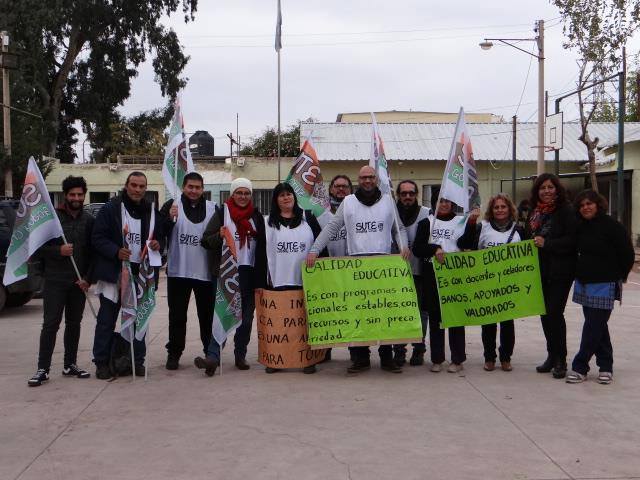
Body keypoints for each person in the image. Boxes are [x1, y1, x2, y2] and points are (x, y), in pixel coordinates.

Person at [307, 165, 410, 374]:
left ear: (376, 179)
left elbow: (398, 228)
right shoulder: (349, 202)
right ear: (358, 180)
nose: (368, 181)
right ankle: (360, 359)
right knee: (358, 314)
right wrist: (314, 251)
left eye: (371, 177)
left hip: (383, 266)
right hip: (356, 266)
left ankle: (386, 357)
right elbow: (332, 227)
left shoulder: (389, 201)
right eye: (363, 177)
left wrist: (404, 246)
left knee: (383, 313)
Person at [91, 172, 163, 380]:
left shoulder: (151, 210)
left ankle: (136, 361)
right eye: (134, 185)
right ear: (126, 185)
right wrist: (115, 251)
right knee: (107, 320)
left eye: (142, 186)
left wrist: (158, 244)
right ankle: (102, 362)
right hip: (115, 274)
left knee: (139, 320)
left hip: (141, 275)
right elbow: (97, 238)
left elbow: (159, 238)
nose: (138, 190)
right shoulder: (111, 208)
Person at [28, 176, 94, 386]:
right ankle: (43, 368)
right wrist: (58, 250)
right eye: (72, 194)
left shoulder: (89, 220)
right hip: (55, 280)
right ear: (65, 195)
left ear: (84, 195)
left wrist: (88, 279)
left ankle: (70, 364)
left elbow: (94, 252)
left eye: (80, 194)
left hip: (78, 282)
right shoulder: (52, 220)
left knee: (74, 324)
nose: (76, 198)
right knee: (50, 324)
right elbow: (36, 250)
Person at [194, 178, 264, 377]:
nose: (243, 196)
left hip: (248, 272)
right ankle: (212, 357)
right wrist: (220, 236)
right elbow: (206, 241)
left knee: (247, 318)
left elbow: (263, 246)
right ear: (232, 194)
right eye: (239, 193)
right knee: (221, 315)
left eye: (246, 193)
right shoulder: (222, 214)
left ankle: (240, 355)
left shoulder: (256, 217)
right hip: (226, 272)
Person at [255, 182, 325, 374]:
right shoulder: (267, 223)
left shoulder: (308, 218)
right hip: (277, 281)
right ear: (276, 200)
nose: (286, 198)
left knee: (303, 324)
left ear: (294, 197)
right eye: (281, 195)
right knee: (279, 326)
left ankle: (307, 360)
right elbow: (261, 253)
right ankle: (276, 360)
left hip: (304, 280)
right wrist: (260, 283)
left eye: (289, 194)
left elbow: (320, 245)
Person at [565, 190, 634, 384]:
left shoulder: (612, 226)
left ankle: (580, 367)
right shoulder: (580, 226)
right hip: (584, 284)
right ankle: (606, 366)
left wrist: (620, 275)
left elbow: (627, 253)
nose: (585, 207)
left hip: (605, 284)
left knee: (593, 326)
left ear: (598, 204)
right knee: (598, 326)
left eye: (589, 204)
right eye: (582, 205)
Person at [458, 193, 523, 372]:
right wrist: (471, 223)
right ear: (491, 210)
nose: (500, 210)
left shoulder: (519, 230)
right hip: (487, 284)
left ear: (510, 209)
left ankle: (506, 358)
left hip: (510, 284)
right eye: (496, 207)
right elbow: (464, 243)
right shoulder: (483, 227)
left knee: (507, 323)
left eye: (503, 207)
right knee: (488, 323)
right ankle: (489, 358)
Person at [160, 172, 216, 370]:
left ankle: (210, 354)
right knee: (177, 316)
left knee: (207, 316)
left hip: (204, 273)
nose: (193, 191)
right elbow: (158, 233)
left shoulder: (212, 208)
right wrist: (168, 219)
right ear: (184, 187)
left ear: (203, 189)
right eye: (190, 187)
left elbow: (218, 237)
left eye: (197, 187)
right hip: (178, 272)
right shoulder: (171, 206)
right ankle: (174, 353)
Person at [525, 173, 577, 379]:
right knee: (545, 314)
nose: (546, 191)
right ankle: (551, 355)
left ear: (557, 189)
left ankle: (561, 360)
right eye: (542, 188)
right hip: (539, 271)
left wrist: (548, 244)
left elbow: (573, 240)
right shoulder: (534, 212)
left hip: (560, 271)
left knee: (555, 313)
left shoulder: (566, 211)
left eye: (550, 187)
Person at [412, 198, 467, 373]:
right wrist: (435, 248)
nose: (444, 205)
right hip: (432, 275)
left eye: (448, 202)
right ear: (435, 204)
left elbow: (467, 243)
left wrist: (472, 224)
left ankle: (457, 359)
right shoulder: (426, 222)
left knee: (456, 318)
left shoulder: (461, 222)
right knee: (435, 318)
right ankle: (437, 358)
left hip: (455, 275)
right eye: (440, 201)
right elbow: (417, 248)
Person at [392, 180, 430, 367]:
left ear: (416, 195)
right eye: (404, 193)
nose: (408, 196)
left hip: (418, 272)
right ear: (398, 195)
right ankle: (399, 350)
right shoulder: (390, 213)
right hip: (394, 275)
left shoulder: (426, 214)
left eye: (411, 193)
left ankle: (419, 348)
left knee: (420, 313)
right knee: (397, 313)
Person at [318, 174, 353, 364]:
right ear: (330, 189)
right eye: (337, 186)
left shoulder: (356, 209)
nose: (341, 189)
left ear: (350, 189)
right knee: (329, 313)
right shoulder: (321, 214)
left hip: (353, 271)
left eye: (345, 186)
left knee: (354, 313)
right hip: (329, 272)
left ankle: (357, 354)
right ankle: (325, 351)